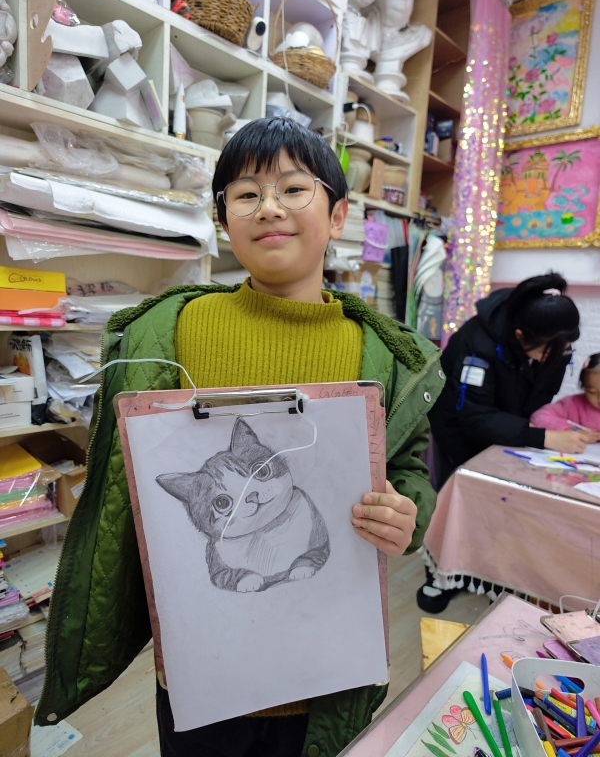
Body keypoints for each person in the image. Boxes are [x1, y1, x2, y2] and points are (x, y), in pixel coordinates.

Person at [36, 118, 445, 757]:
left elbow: (410, 470)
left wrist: (406, 515)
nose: (269, 208)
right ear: (223, 219)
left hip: (324, 662)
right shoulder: (171, 329)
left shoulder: (385, 356)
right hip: (202, 664)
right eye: (247, 194)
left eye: (293, 189)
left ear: (338, 216)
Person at [418, 272, 582, 613]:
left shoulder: (556, 343)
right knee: (455, 501)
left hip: (506, 426)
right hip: (458, 427)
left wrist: (530, 429)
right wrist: (542, 436)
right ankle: (439, 575)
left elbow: (542, 390)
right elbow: (473, 416)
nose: (560, 355)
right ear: (520, 336)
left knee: (501, 504)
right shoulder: (477, 343)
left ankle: (487, 572)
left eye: (564, 349)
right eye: (550, 352)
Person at [530, 353, 600, 436]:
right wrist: (572, 430)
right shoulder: (573, 404)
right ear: (583, 386)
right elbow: (538, 417)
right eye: (592, 392)